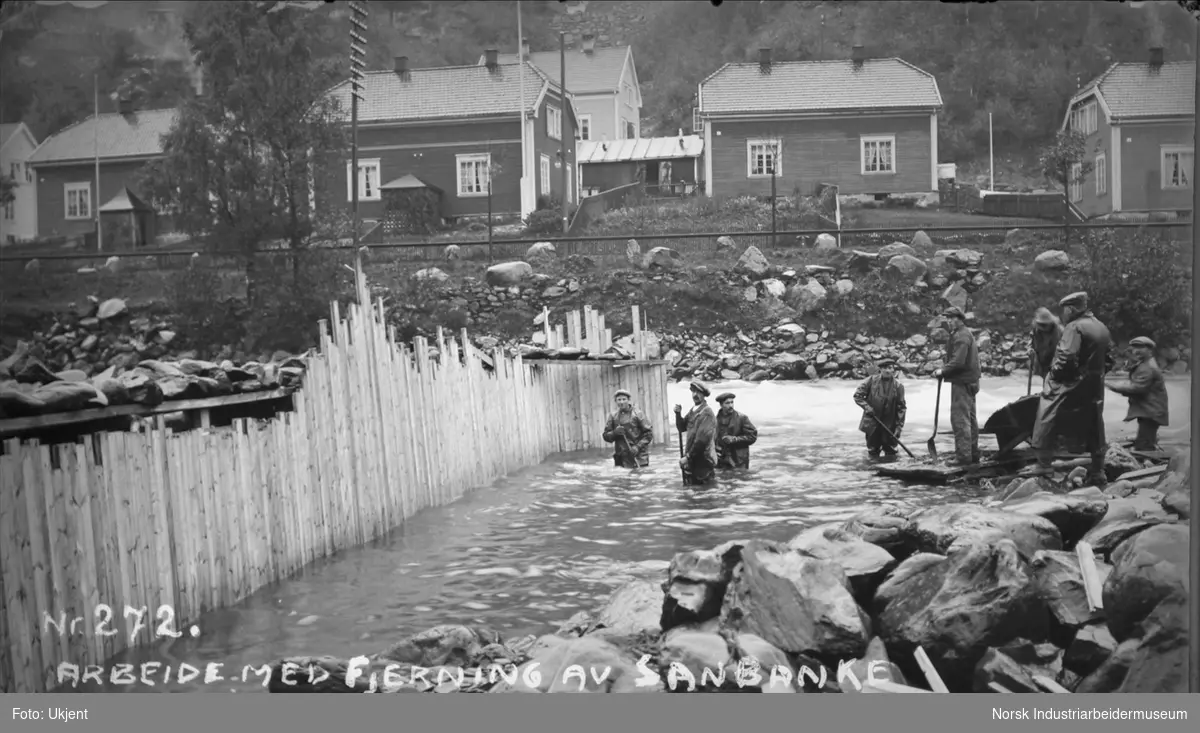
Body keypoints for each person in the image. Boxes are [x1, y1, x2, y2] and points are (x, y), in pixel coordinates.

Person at [1022, 291, 1113, 483]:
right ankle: (1098, 470)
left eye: (1065, 310)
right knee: (1095, 424)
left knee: (1046, 413)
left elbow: (1066, 357)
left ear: (1071, 309)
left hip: (1071, 385)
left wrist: (1054, 376)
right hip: (1094, 387)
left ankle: (1044, 464)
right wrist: (1093, 375)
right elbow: (1110, 360)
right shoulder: (1101, 326)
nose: (1063, 314)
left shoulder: (1074, 327)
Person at [932, 306, 981, 466]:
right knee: (971, 419)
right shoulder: (964, 333)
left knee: (960, 420)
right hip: (971, 381)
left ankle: (963, 457)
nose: (949, 321)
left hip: (962, 381)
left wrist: (942, 371)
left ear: (959, 319)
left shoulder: (961, 336)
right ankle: (972, 454)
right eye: (947, 318)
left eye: (951, 318)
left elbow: (958, 362)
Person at [1105, 336, 1169, 452]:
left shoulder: (1148, 367)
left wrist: (1109, 385)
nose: (1136, 351)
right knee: (1145, 440)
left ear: (1149, 350)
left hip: (1151, 411)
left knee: (1144, 445)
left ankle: (1151, 463)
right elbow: (1131, 371)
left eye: (1140, 347)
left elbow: (1137, 388)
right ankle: (1150, 459)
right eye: (1134, 348)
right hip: (1149, 410)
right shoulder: (1145, 363)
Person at [853, 358, 907, 459]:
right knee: (873, 450)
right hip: (873, 421)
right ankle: (872, 470)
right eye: (885, 368)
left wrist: (899, 427)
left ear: (893, 370)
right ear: (880, 370)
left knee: (891, 451)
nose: (887, 371)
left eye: (890, 368)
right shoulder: (870, 381)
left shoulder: (899, 386)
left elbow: (901, 408)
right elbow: (858, 396)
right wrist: (867, 407)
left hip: (890, 424)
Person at [674, 381, 718, 485]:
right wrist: (677, 414)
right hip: (693, 460)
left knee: (703, 494)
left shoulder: (707, 413)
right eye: (693, 392)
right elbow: (682, 428)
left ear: (704, 395)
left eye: (698, 392)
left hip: (703, 461)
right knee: (693, 493)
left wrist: (687, 457)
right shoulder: (693, 410)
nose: (695, 395)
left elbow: (701, 441)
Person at [602, 389, 654, 468]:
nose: (621, 402)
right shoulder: (613, 416)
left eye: (624, 399)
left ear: (629, 400)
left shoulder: (638, 414)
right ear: (615, 401)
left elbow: (649, 434)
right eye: (619, 400)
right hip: (621, 458)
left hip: (638, 457)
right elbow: (606, 436)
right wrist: (615, 433)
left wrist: (637, 447)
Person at [714, 392, 758, 469]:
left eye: (732, 402)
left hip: (739, 461)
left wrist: (735, 439)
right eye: (727, 403)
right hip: (722, 460)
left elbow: (752, 436)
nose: (731, 405)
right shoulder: (715, 420)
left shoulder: (742, 418)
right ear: (721, 405)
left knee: (740, 480)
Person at [1030, 307, 1064, 380]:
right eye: (1041, 324)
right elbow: (1033, 344)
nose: (1042, 327)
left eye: (1044, 325)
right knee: (1046, 381)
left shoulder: (1059, 332)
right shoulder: (1036, 331)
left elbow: (1061, 350)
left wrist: (1054, 365)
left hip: (1056, 360)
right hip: (1043, 361)